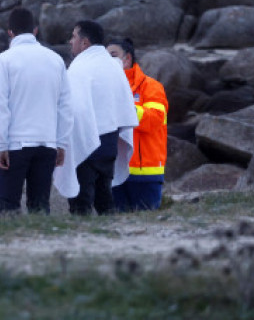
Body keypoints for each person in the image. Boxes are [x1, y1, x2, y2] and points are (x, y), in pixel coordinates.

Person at [0, 7, 73, 215]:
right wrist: (61, 142)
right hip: (47, 142)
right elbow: (65, 105)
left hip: (16, 143)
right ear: (35, 30)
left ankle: (12, 243)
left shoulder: (4, 60)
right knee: (40, 204)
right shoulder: (55, 59)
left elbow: (0, 106)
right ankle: (42, 243)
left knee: (9, 205)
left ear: (10, 32)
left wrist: (0, 144)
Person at [54, 21, 138, 215]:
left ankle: (83, 237)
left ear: (84, 43)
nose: (70, 41)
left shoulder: (81, 67)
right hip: (110, 142)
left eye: (73, 37)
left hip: (87, 143)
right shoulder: (113, 65)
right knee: (104, 197)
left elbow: (73, 109)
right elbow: (123, 106)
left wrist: (61, 141)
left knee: (81, 200)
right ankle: (108, 235)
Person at [107, 38, 169, 211]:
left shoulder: (151, 86)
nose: (108, 60)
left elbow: (154, 120)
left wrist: (124, 108)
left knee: (146, 231)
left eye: (113, 55)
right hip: (114, 173)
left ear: (127, 58)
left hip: (145, 174)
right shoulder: (105, 88)